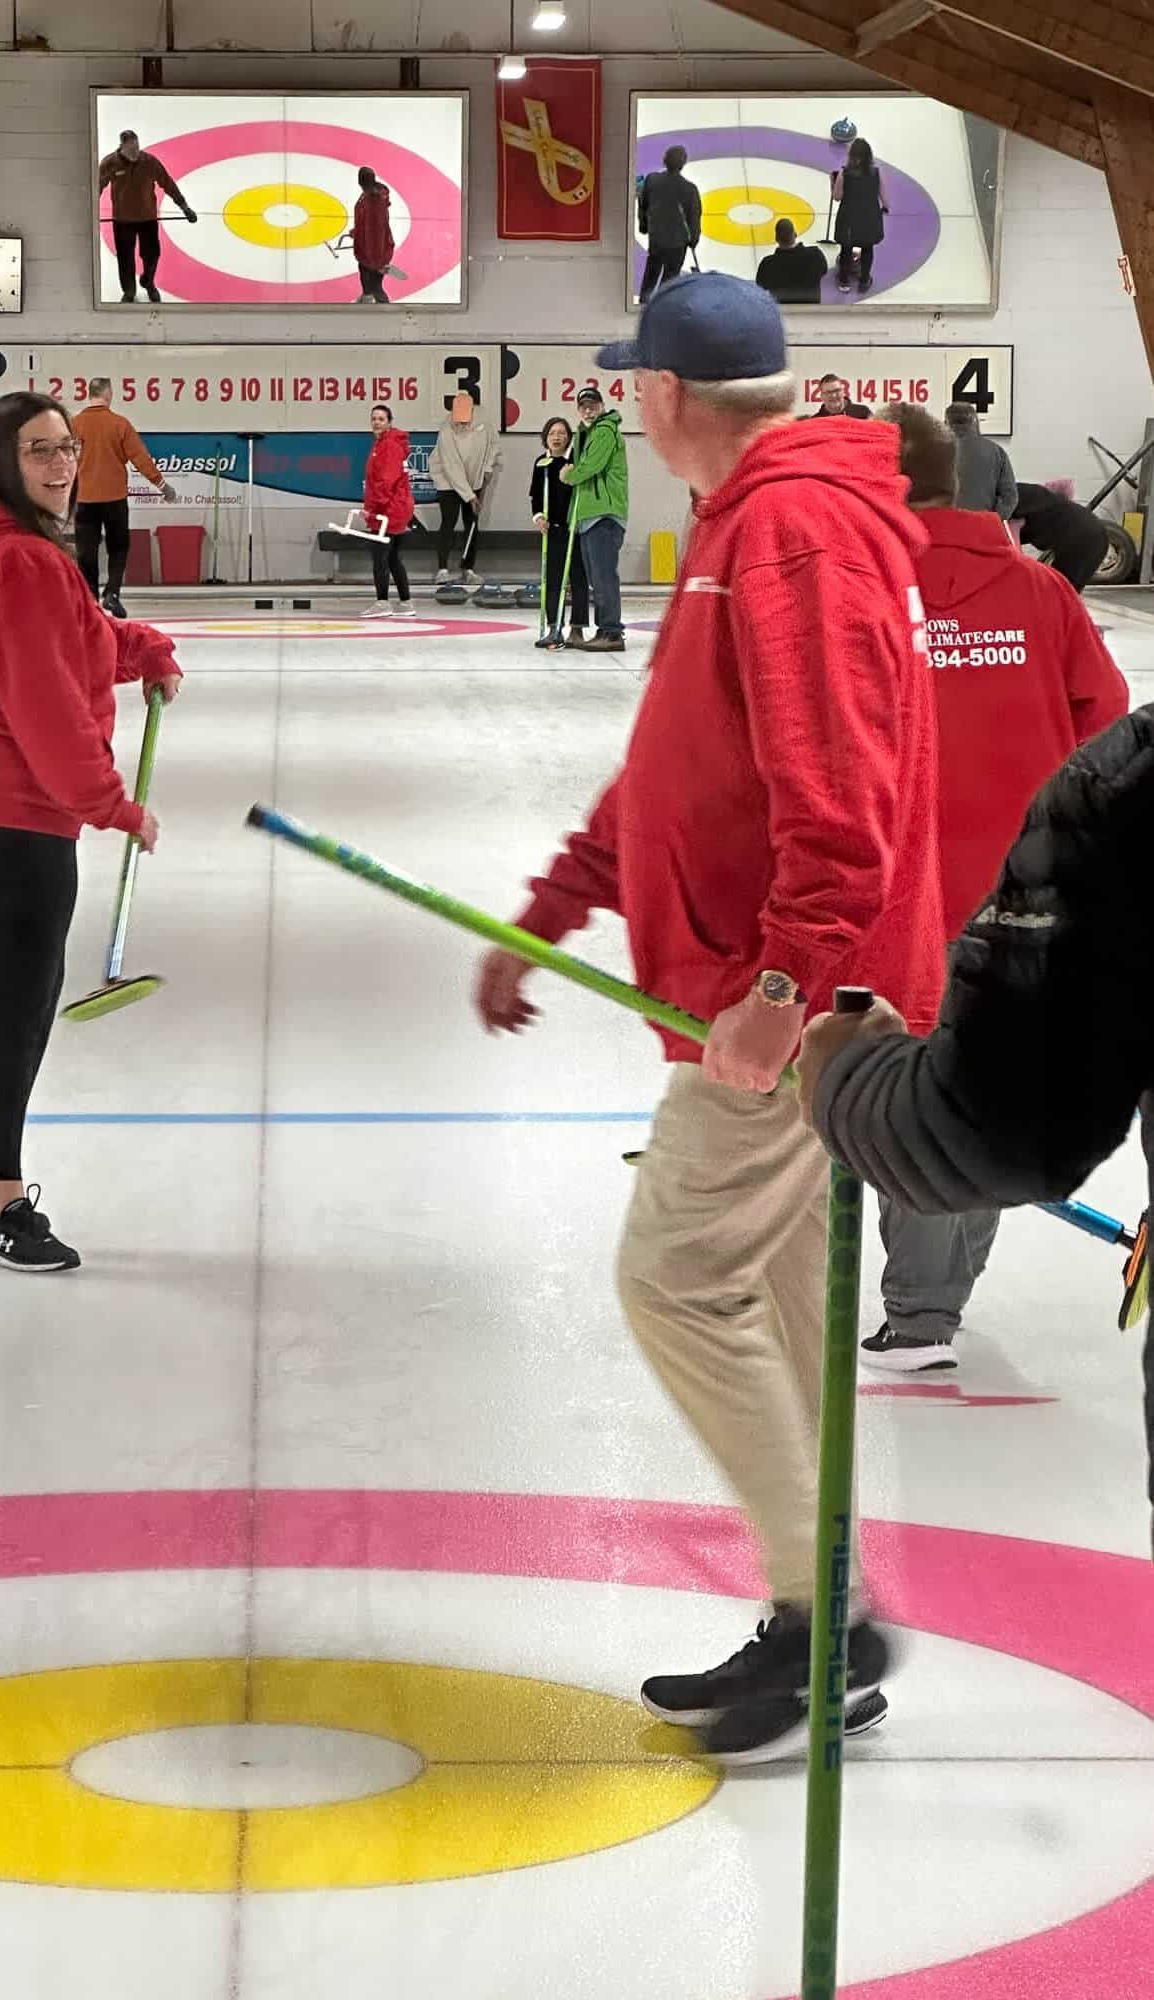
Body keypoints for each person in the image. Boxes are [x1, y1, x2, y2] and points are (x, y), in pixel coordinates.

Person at [474, 271, 945, 1762]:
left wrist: (782, 986)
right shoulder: (747, 524)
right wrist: (556, 903)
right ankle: (825, 1616)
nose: (631, 406)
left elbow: (840, 789)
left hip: (797, 1008)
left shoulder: (791, 530)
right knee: (788, 1315)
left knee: (676, 1278)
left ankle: (827, 1616)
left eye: (634, 386)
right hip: (780, 991)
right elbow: (682, 761)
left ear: (667, 395)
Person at [798, 715, 1154, 1546]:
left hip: (973, 907)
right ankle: (923, 1315)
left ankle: (920, 1317)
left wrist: (845, 1077)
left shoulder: (1132, 783)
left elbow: (993, 1128)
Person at [861, 404, 1128, 1372]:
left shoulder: (867, 595)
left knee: (922, 1097)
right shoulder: (1040, 591)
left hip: (908, 895)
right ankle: (940, 1296)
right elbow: (1107, 715)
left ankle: (921, 1314)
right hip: (1032, 896)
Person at [0, 392, 183, 1272]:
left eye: (67, 448)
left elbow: (73, 638)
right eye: (39, 450)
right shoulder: (20, 560)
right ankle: (2, 1208)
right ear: (1, 460)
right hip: (8, 810)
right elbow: (46, 705)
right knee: (16, 1008)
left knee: (8, 997)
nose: (62, 464)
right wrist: (112, 804)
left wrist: (140, 647)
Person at [72, 377, 178, 618]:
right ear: (108, 394)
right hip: (114, 498)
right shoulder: (119, 424)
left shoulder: (74, 425)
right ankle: (112, 593)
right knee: (118, 546)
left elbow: (63, 461)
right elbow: (140, 458)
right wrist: (162, 485)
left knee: (86, 550)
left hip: (85, 499)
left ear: (89, 394)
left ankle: (89, 599)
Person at [560, 386, 627, 653]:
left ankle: (612, 631)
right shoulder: (585, 434)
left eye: (593, 405)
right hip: (588, 515)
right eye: (583, 406)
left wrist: (569, 475)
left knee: (604, 577)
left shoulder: (604, 431)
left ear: (601, 406)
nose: (588, 410)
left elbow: (591, 466)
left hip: (603, 514)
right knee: (597, 579)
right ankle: (605, 629)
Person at [97, 129, 197, 305]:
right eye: (131, 149)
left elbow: (167, 183)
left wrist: (184, 207)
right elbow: (96, 187)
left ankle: (148, 281)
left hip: (148, 218)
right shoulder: (110, 163)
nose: (136, 152)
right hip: (123, 221)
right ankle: (129, 291)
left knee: (152, 255)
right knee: (125, 259)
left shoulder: (149, 162)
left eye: (137, 148)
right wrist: (88, 211)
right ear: (122, 147)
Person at [429, 391, 500, 589]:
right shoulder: (446, 428)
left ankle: (468, 569)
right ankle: (442, 569)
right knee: (448, 521)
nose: (461, 424)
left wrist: (487, 468)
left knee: (472, 523)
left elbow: (493, 445)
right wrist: (470, 497)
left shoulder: (483, 419)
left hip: (475, 477)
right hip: (447, 480)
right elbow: (451, 467)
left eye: (465, 420)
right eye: (458, 420)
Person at [530, 416, 590, 650]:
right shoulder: (541, 463)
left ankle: (577, 629)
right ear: (545, 437)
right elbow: (536, 495)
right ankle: (554, 627)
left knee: (578, 578)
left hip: (575, 528)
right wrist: (538, 517)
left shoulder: (576, 461)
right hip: (552, 529)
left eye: (562, 433)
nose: (557, 437)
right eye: (552, 433)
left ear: (569, 437)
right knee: (552, 580)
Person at [362, 404, 415, 618]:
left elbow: (386, 482)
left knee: (380, 556)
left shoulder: (389, 445)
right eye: (374, 418)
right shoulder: (385, 443)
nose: (376, 422)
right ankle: (406, 602)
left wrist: (372, 510)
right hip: (397, 506)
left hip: (389, 508)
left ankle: (382, 602)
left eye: (381, 419)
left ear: (389, 422)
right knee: (393, 557)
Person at [1013, 479, 1111, 593]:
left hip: (1083, 536)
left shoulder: (1007, 504)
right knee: (1064, 594)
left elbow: (1013, 554)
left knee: (1059, 593)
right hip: (1093, 532)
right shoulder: (1015, 494)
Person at [637, 145, 702, 302]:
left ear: (665, 160)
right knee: (670, 277)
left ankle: (644, 302)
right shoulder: (689, 189)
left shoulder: (652, 180)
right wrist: (693, 240)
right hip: (677, 242)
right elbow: (694, 218)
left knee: (651, 272)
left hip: (657, 238)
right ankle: (663, 303)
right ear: (683, 163)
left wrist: (644, 226)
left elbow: (643, 205)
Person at [832, 136, 887, 295]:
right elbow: (884, 198)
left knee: (846, 248)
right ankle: (864, 281)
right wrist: (884, 208)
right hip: (869, 218)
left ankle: (844, 281)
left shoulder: (844, 173)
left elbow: (837, 197)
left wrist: (834, 184)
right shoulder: (876, 173)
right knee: (867, 248)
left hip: (849, 219)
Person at [944, 402, 1017, 518]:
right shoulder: (996, 451)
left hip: (944, 524)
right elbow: (1009, 497)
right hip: (983, 524)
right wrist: (993, 520)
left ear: (946, 422)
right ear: (974, 421)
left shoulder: (933, 451)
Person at [755, 217, 828, 305]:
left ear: (776, 238)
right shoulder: (816, 255)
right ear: (795, 234)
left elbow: (760, 287)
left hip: (783, 310)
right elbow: (824, 272)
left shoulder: (767, 264)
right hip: (811, 310)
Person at [353, 166, 395, 305]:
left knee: (376, 286)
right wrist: (357, 231)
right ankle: (366, 298)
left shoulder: (373, 204)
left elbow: (377, 235)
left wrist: (377, 263)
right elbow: (366, 223)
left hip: (374, 255)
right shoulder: (370, 195)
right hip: (368, 251)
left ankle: (385, 310)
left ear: (361, 182)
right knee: (366, 280)